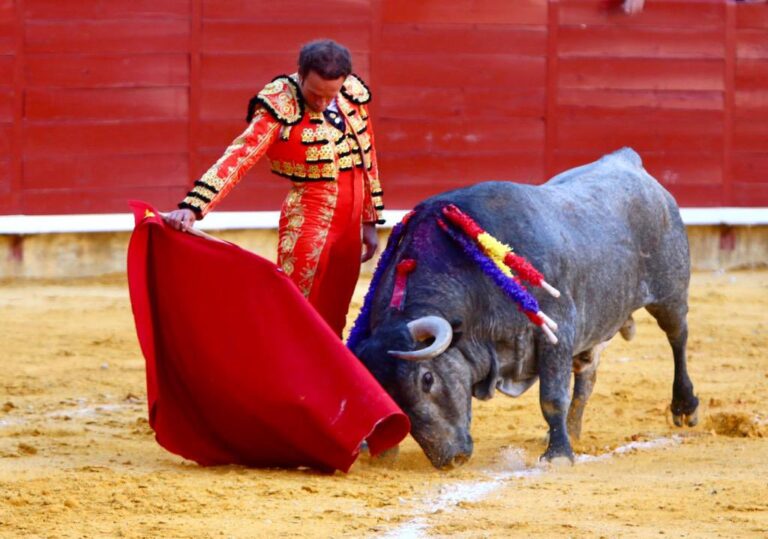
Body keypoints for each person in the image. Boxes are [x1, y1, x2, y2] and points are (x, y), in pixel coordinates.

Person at [164, 39, 385, 337]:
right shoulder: (279, 104)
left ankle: (322, 381)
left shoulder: (352, 96)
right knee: (295, 309)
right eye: (314, 94)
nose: (321, 103)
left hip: (350, 226)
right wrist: (193, 205)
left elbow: (366, 157)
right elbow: (239, 156)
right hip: (309, 220)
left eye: (328, 95)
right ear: (300, 74)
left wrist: (370, 218)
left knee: (336, 313)